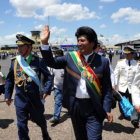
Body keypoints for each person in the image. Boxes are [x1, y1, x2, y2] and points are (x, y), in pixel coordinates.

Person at [41, 25, 113, 140]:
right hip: (75, 106)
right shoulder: (70, 57)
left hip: (94, 107)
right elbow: (51, 62)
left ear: (92, 43)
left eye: (82, 40)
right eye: (78, 40)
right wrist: (44, 43)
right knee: (80, 137)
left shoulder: (103, 62)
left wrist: (107, 109)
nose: (79, 43)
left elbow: (107, 89)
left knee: (95, 138)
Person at [5, 34, 52, 140]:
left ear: (29, 47)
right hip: (20, 100)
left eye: (22, 46)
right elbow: (9, 80)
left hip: (35, 99)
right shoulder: (14, 61)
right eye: (18, 46)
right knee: (21, 126)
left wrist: (46, 91)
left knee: (40, 121)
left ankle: (45, 134)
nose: (19, 49)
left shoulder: (38, 60)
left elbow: (49, 77)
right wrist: (7, 95)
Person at [114, 45, 139, 128]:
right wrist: (114, 84)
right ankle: (123, 113)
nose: (126, 56)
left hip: (132, 88)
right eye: (125, 54)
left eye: (128, 54)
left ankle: (134, 119)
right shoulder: (120, 63)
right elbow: (115, 74)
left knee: (134, 103)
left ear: (132, 54)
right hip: (122, 86)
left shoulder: (137, 64)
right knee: (121, 102)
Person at [50, 49, 64, 125]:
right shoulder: (54, 66)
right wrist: (51, 85)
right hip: (57, 87)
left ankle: (71, 112)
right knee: (58, 102)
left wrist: (66, 75)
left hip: (67, 88)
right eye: (55, 57)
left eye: (57, 57)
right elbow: (52, 76)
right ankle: (56, 118)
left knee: (68, 102)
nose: (56, 58)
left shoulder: (67, 65)